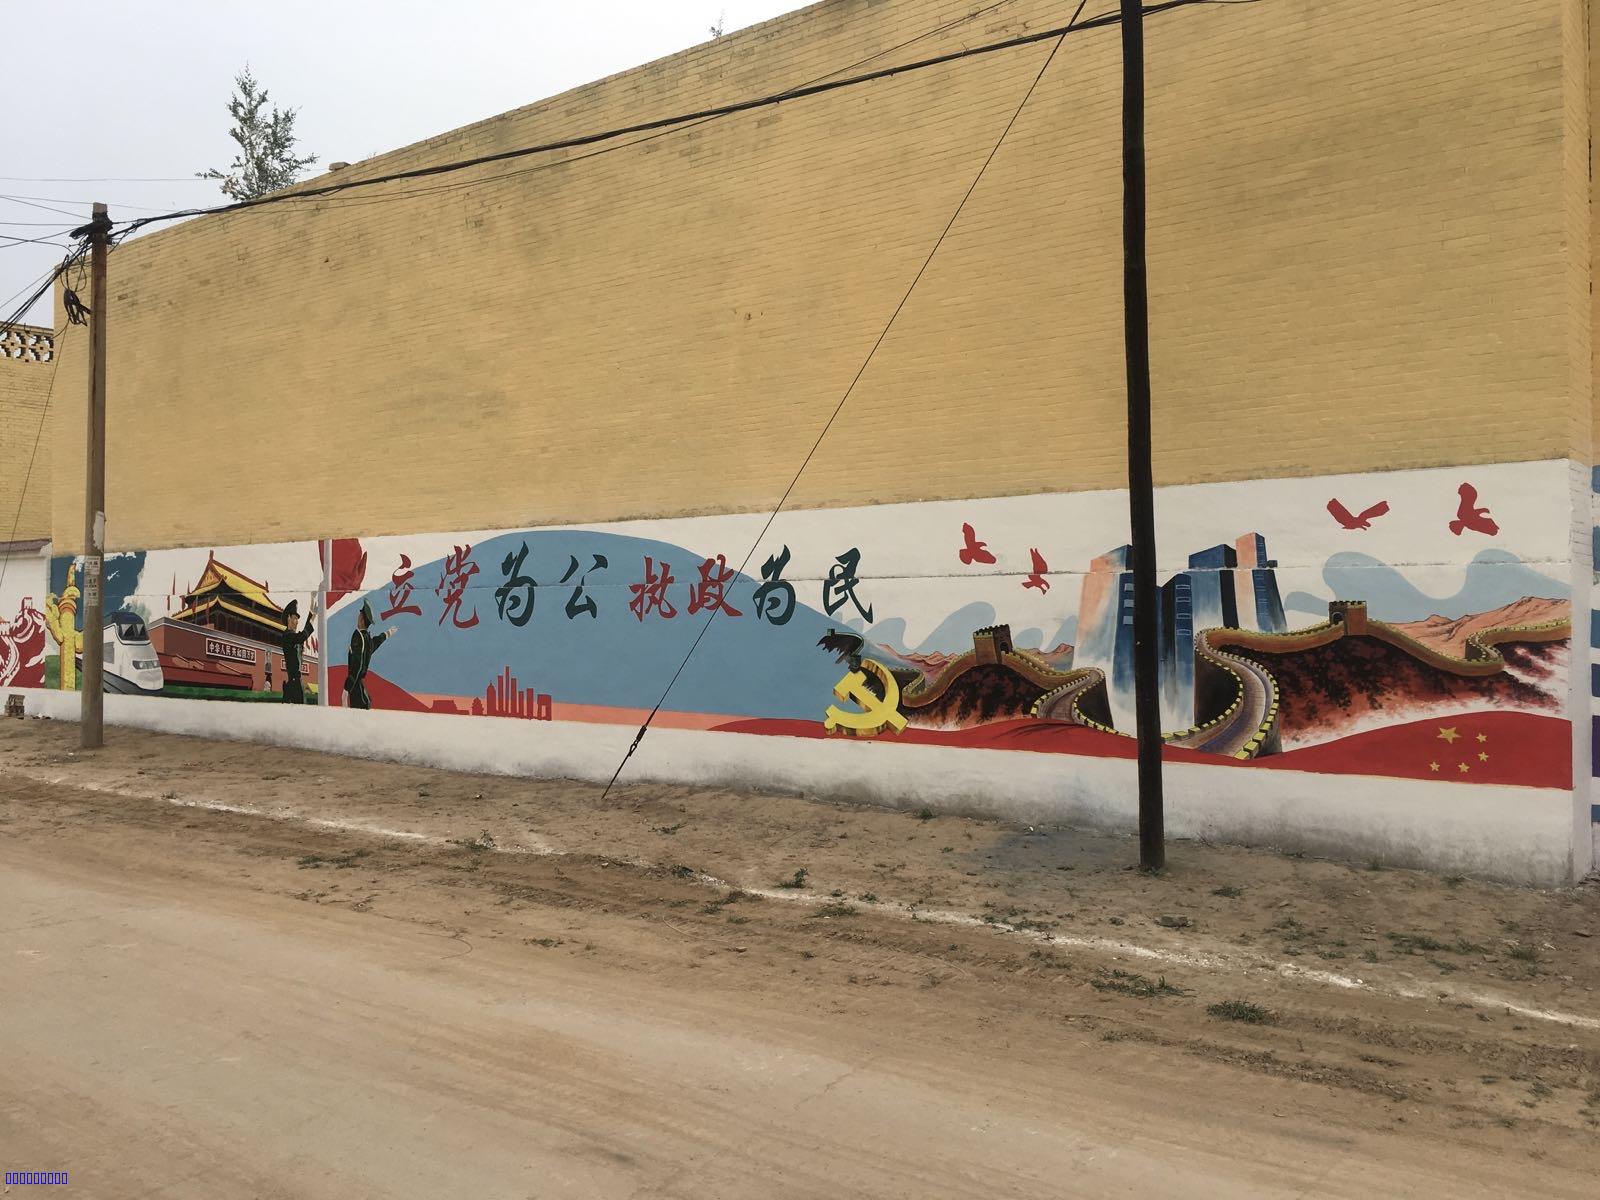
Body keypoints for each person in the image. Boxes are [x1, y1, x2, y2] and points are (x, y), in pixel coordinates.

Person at [343, 600, 396, 710]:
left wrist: (347, 689)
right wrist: (388, 633)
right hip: (361, 692)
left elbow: (357, 665)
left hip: (355, 690)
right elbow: (377, 641)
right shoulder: (367, 639)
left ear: (362, 619)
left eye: (359, 615)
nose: (358, 617)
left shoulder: (358, 636)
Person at [279, 599, 315, 704]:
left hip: (296, 681)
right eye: (295, 618)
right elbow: (302, 636)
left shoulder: (292, 636)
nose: (297, 621)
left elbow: (302, 634)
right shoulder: (287, 636)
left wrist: (311, 612)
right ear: (288, 618)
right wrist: (313, 618)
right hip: (293, 683)